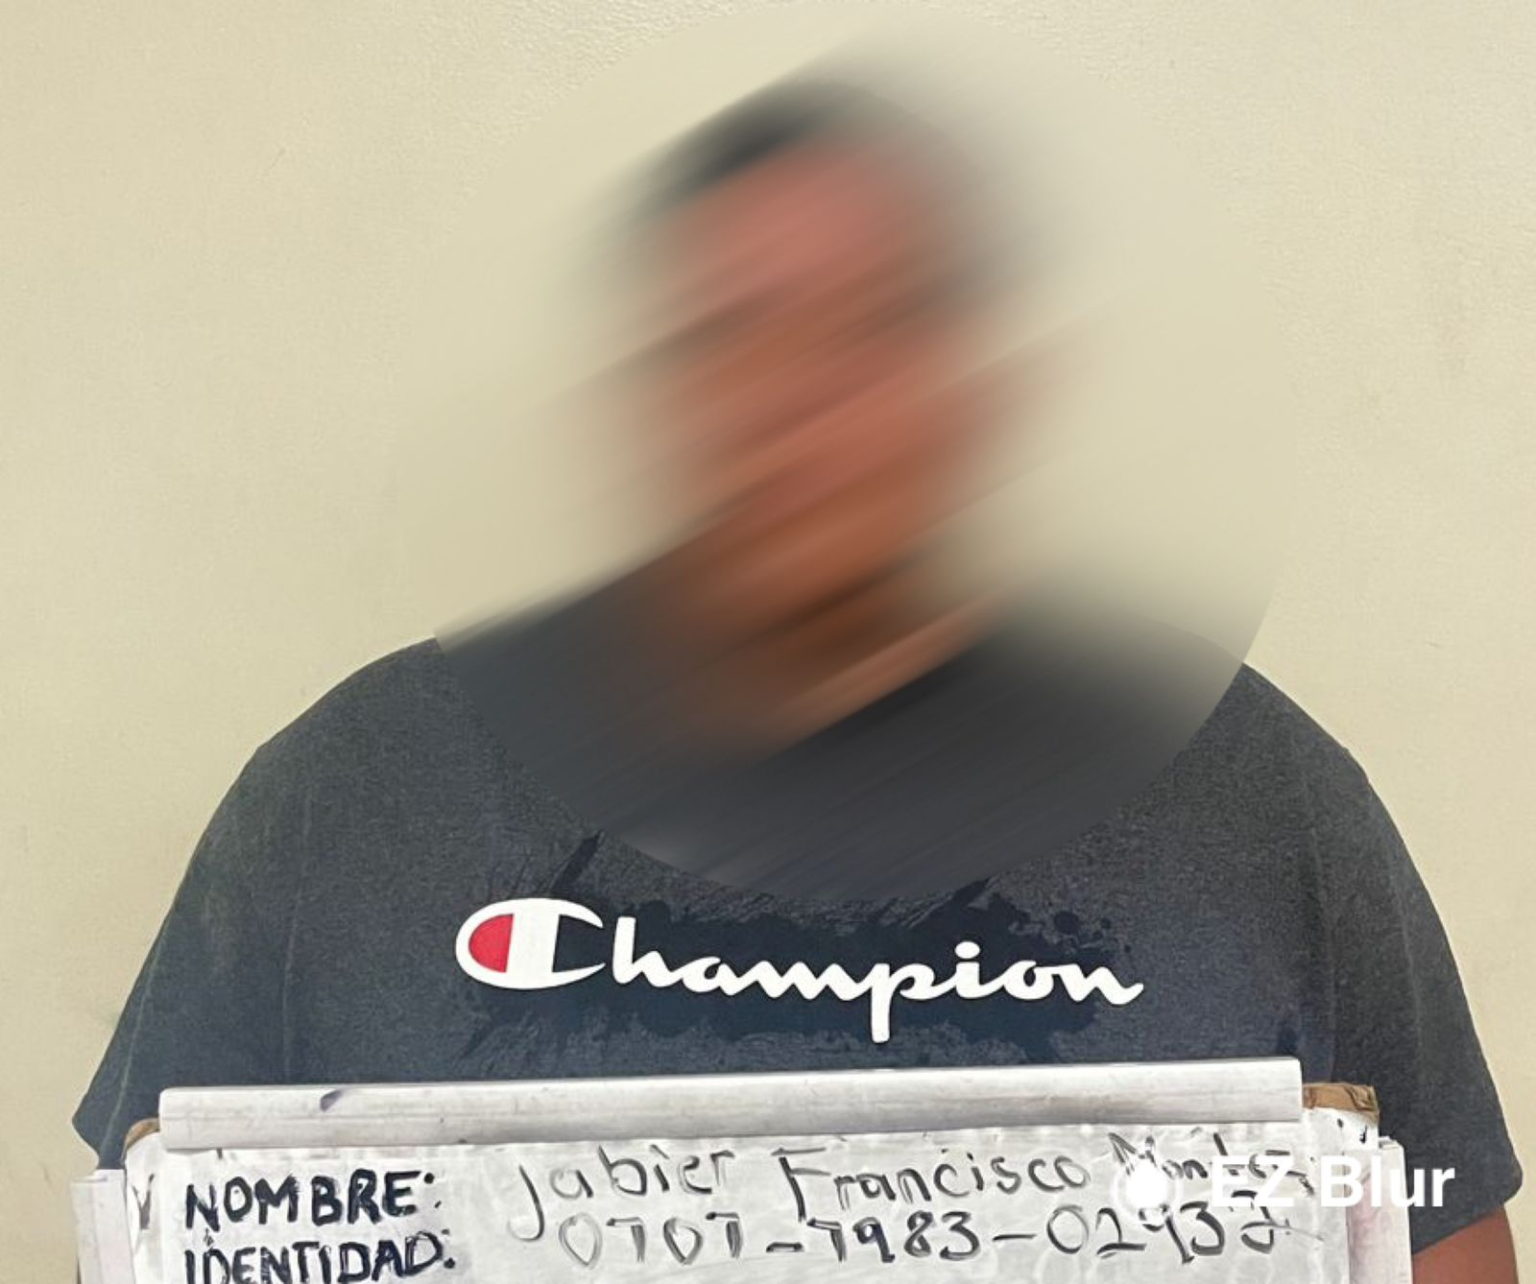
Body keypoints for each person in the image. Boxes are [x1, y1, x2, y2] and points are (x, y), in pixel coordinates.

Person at [76, 79, 1520, 1276]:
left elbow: (1441, 1243)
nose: (796, 398)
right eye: (727, 332)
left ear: (986, 385)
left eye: (876, 325)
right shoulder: (353, 797)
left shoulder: (1257, 799)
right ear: (642, 391)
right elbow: (152, 1233)